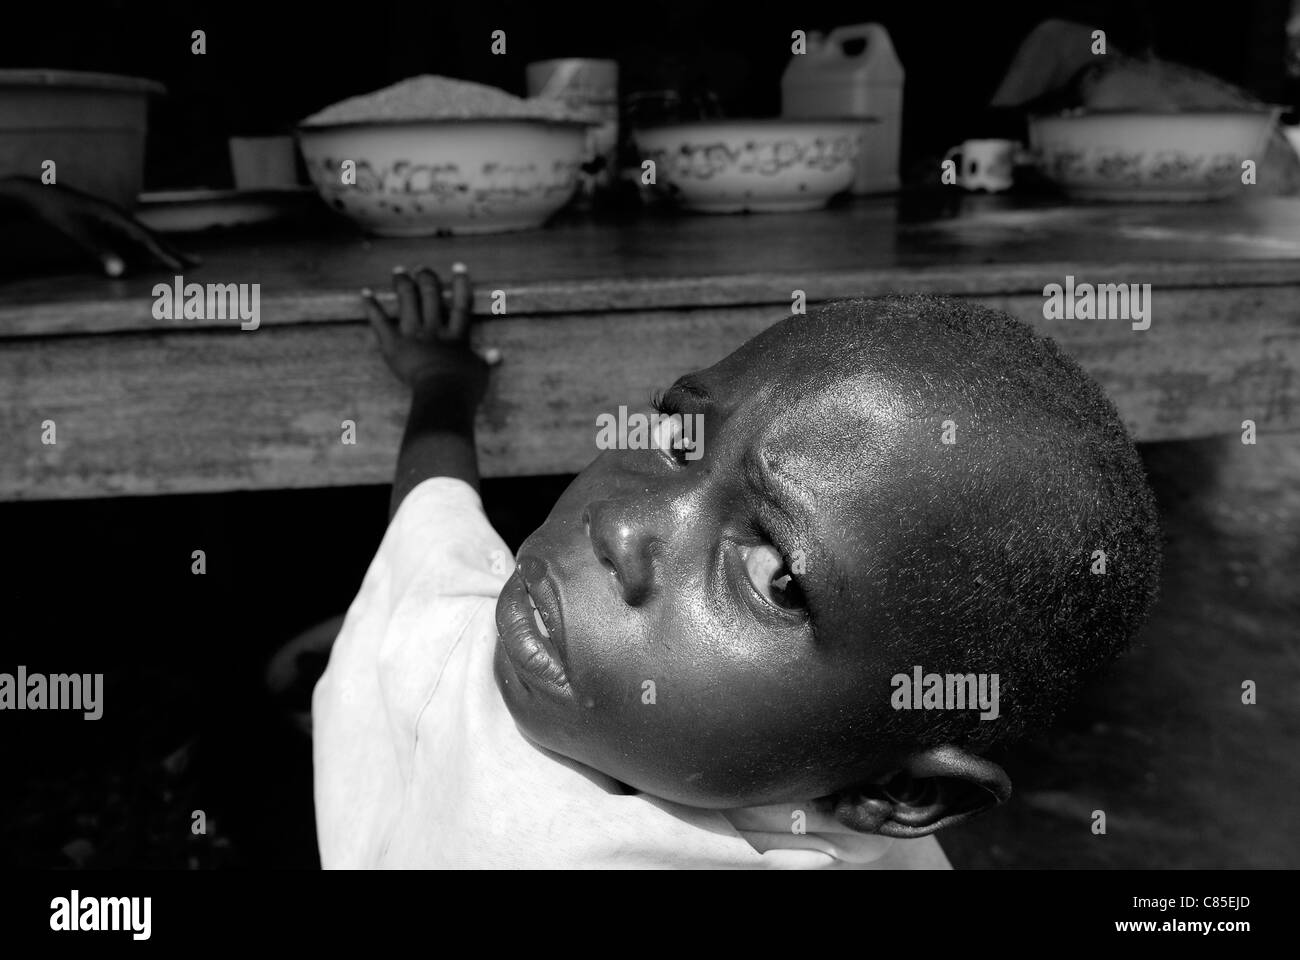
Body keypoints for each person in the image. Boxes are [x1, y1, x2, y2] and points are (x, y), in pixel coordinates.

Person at [311, 265, 1161, 868]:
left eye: (775, 578)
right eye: (682, 439)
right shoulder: (450, 664)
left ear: (895, 792)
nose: (624, 528)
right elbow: (437, 523)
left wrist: (441, 389)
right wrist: (441, 385)